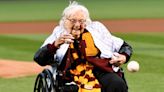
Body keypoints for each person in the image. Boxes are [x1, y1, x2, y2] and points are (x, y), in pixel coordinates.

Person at [34, 1, 132, 92]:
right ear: (65, 21)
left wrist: (123, 56)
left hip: (99, 69)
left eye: (81, 21)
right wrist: (55, 45)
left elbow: (124, 46)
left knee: (117, 84)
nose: (77, 25)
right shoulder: (59, 33)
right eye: (73, 20)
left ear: (86, 22)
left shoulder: (96, 30)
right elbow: (39, 58)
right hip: (69, 74)